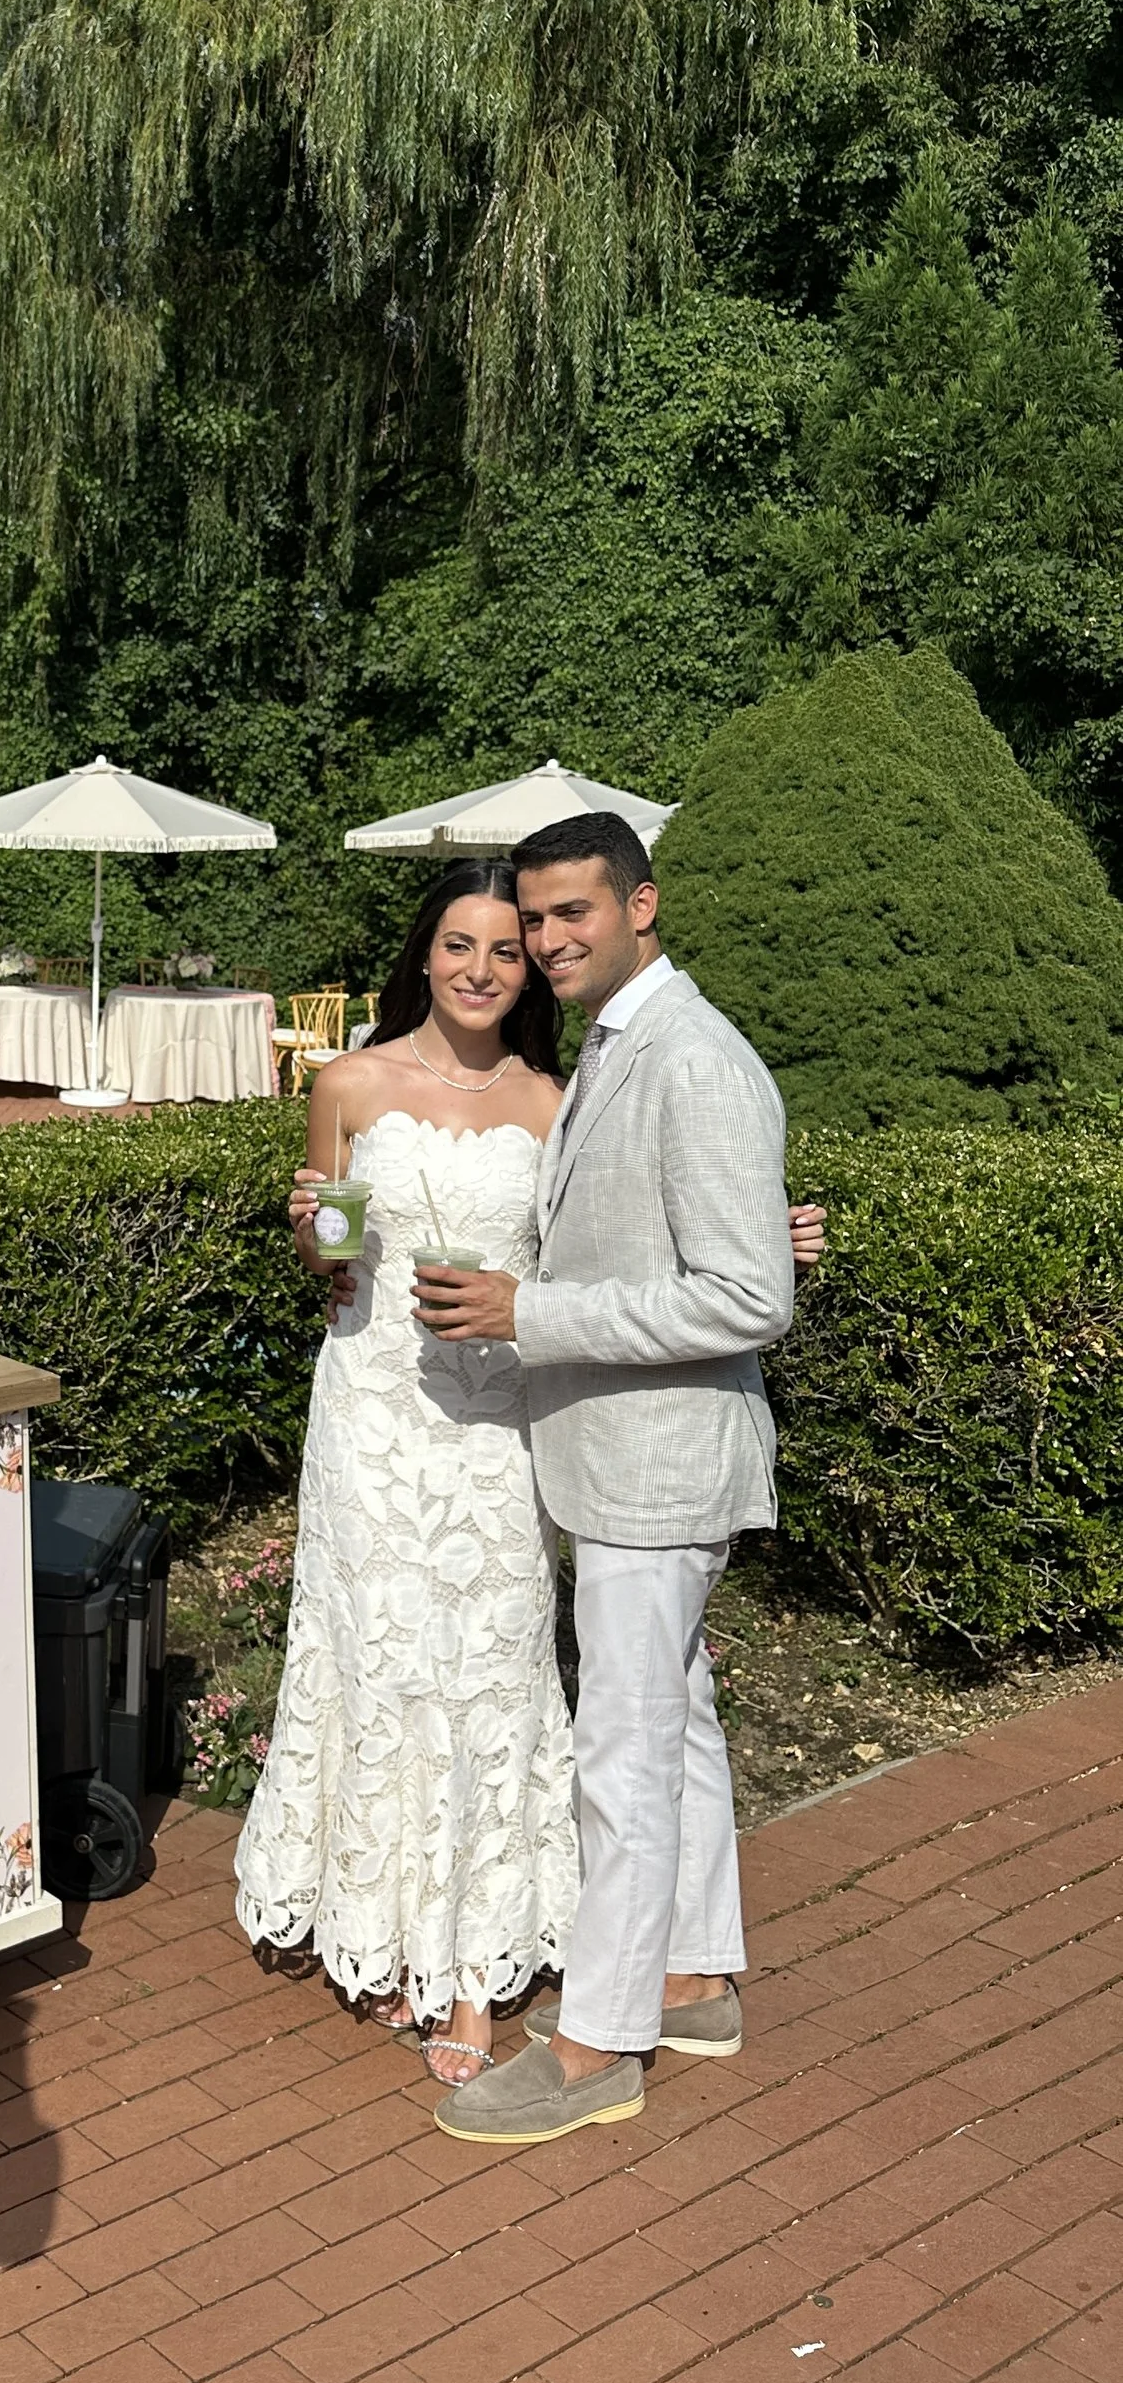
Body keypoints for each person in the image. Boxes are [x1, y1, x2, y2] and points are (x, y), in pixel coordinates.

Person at [418, 813, 794, 2147]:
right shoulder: (620, 1041)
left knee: (622, 1756)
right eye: (534, 919)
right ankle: (690, 1980)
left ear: (642, 904)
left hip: (660, 1464)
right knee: (672, 1724)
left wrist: (533, 1313)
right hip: (631, 1459)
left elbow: (749, 1297)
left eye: (572, 911)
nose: (546, 940)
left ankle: (597, 2046)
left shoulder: (693, 1057)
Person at [233, 862, 577, 2086]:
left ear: (527, 971)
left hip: (495, 1425)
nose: (479, 970)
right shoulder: (346, 1082)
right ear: (423, 954)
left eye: (504, 950)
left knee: (492, 1661)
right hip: (371, 1416)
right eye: (457, 945)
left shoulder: (553, 1105)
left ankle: (473, 1968)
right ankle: (376, 1928)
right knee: (375, 1659)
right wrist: (308, 1235)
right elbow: (327, 1258)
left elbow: (580, 1273)